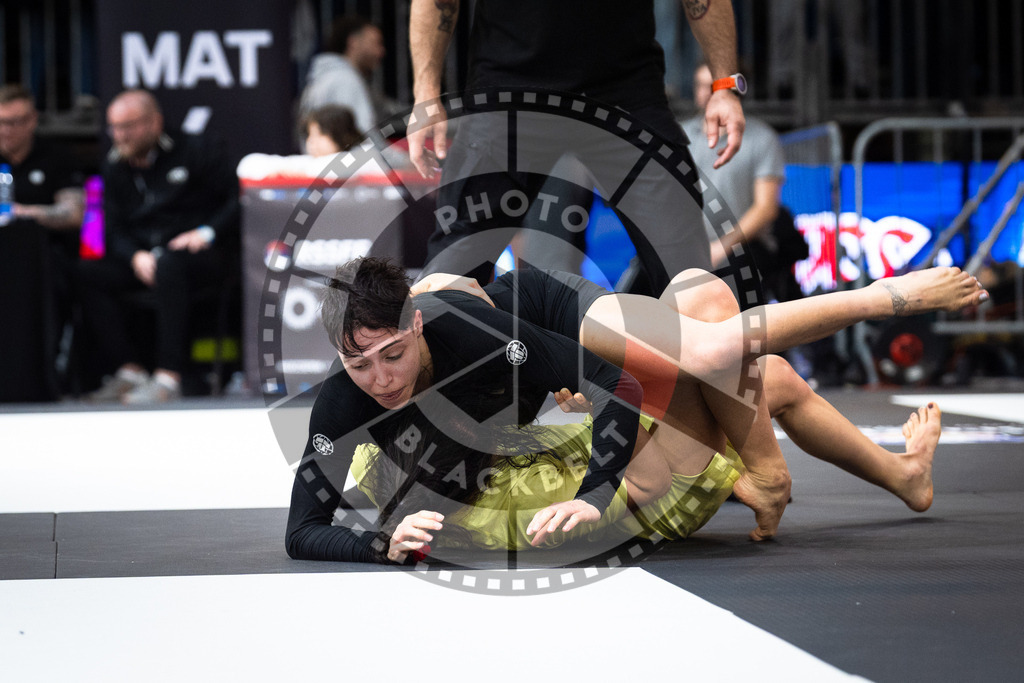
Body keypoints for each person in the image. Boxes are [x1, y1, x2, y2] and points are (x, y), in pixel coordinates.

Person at [285, 256, 987, 563]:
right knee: (746, 358)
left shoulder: (473, 334)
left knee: (712, 334)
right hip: (549, 416)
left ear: (414, 325)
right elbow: (303, 526)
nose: (380, 379)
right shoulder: (345, 400)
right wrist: (381, 542)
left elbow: (609, 381)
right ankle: (898, 478)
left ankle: (885, 299)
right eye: (359, 363)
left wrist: (595, 483)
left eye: (391, 356)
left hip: (552, 317)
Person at [407, 0, 747, 295]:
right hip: (510, 91)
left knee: (689, 274)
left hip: (626, 91)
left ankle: (702, 361)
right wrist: (425, 93)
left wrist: (724, 85)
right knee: (450, 276)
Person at [77, 90, 239, 404]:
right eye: (114, 127)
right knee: (87, 272)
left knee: (170, 266)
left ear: (155, 123)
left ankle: (168, 377)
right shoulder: (113, 165)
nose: (119, 135)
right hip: (143, 257)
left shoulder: (196, 150)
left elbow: (235, 201)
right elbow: (110, 227)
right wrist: (134, 256)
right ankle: (130, 370)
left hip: (197, 254)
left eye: (128, 126)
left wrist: (206, 232)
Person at [684, 62, 801, 302]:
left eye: (713, 87)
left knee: (733, 285)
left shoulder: (762, 138)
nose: (706, 93)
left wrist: (720, 248)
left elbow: (766, 208)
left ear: (733, 92)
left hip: (744, 249)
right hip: (686, 247)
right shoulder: (679, 135)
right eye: (701, 86)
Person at [0, 84, 85, 402]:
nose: (9, 130)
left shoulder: (56, 157)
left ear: (33, 120)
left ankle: (48, 379)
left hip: (47, 259)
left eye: (17, 121)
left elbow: (74, 213)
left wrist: (26, 212)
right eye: (3, 122)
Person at [298, 15, 388, 137]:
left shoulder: (326, 76)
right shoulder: (345, 80)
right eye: (375, 43)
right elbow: (365, 138)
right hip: (344, 155)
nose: (381, 51)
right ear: (353, 42)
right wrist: (399, 157)